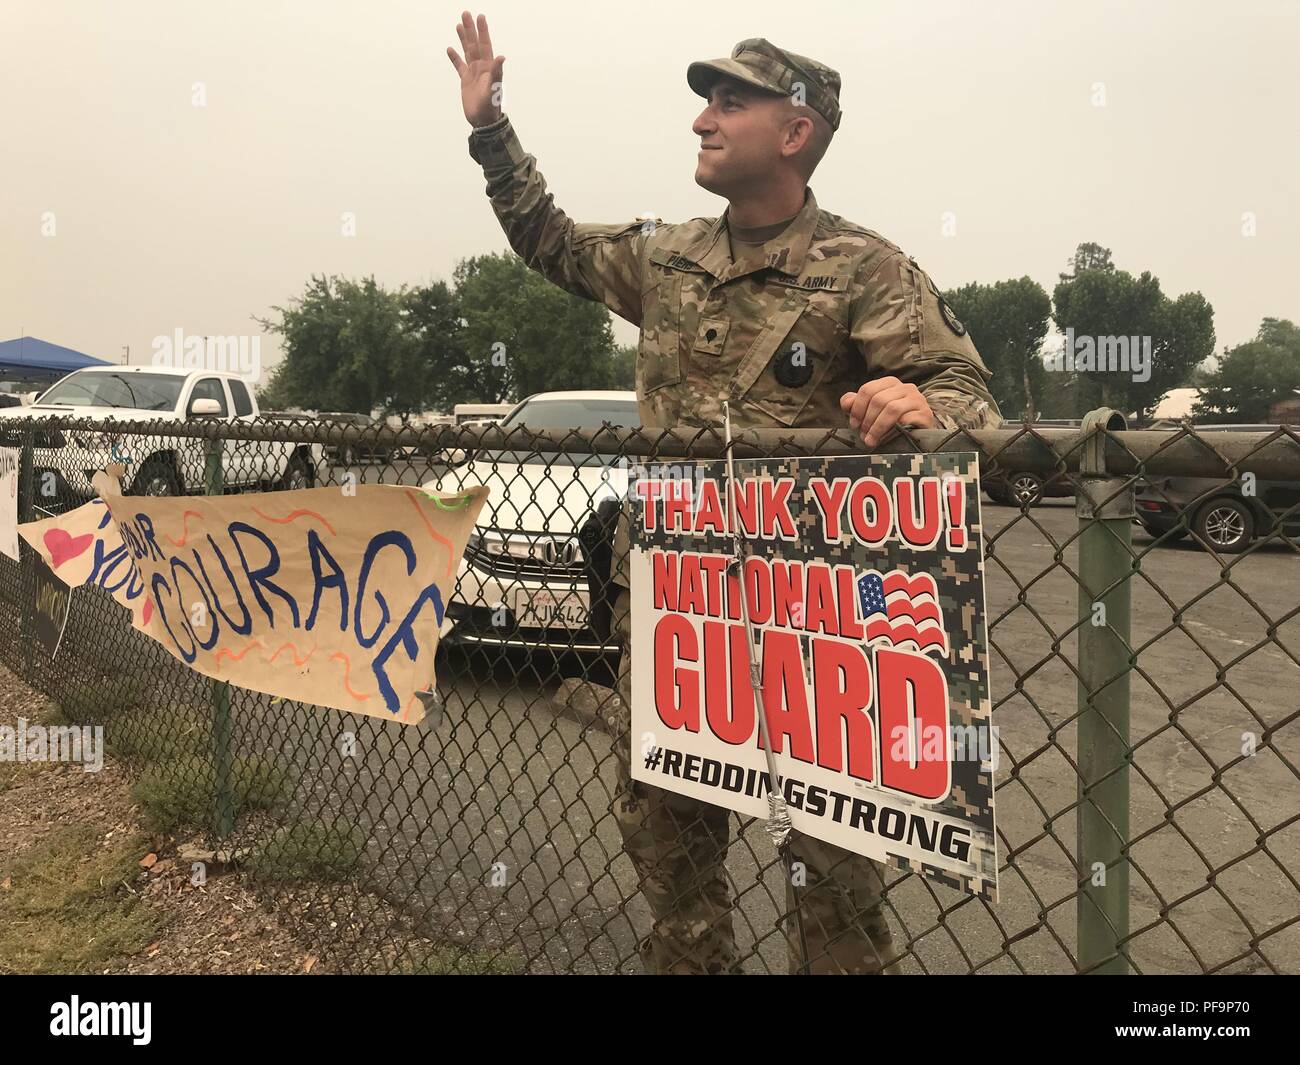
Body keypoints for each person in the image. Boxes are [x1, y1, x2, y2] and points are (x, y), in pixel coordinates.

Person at [448, 12, 1002, 974]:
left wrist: (916, 399)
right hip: (677, 618)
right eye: (706, 99)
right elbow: (549, 240)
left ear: (795, 132)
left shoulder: (865, 268)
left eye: (730, 100)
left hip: (814, 630)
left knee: (832, 869)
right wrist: (490, 129)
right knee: (670, 852)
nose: (704, 118)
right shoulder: (669, 257)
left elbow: (969, 398)